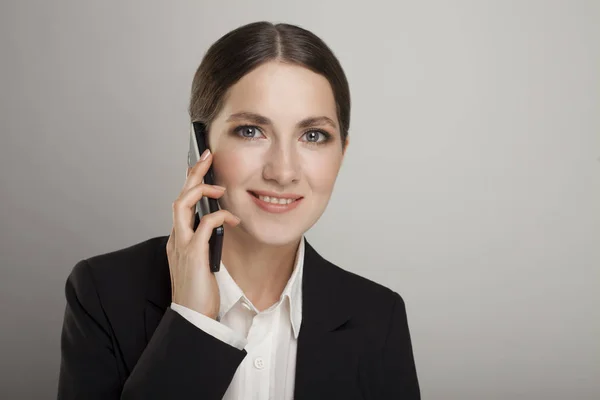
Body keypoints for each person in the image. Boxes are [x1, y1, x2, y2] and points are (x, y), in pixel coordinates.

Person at [57, 21, 420, 399]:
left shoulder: (379, 317)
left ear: (341, 154)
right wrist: (192, 323)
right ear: (200, 148)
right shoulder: (103, 293)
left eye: (313, 136)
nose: (283, 172)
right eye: (251, 131)